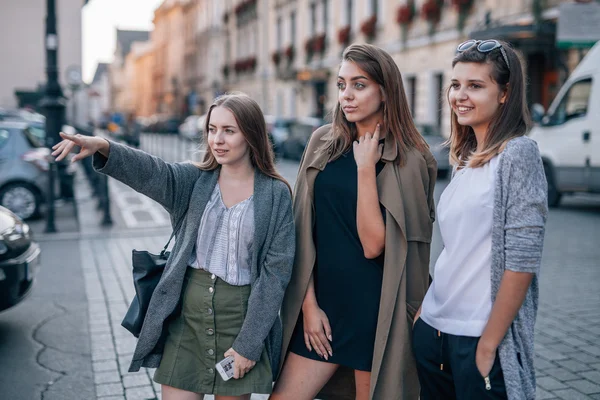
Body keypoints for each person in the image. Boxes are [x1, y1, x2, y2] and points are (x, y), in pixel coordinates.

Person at [52, 93, 295, 400]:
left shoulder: (276, 195)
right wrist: (104, 146)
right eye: (212, 129)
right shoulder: (194, 181)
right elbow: (153, 171)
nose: (217, 139)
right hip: (188, 319)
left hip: (241, 322)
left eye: (229, 131)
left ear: (252, 134)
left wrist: (249, 344)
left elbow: (275, 276)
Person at [271, 43, 437, 400]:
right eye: (342, 84)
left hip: (375, 316)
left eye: (359, 85)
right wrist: (309, 307)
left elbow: (374, 245)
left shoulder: (410, 159)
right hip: (322, 307)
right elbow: (300, 231)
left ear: (385, 91)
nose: (347, 95)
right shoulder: (322, 142)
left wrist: (365, 169)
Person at [411, 40, 548, 400]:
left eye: (475, 85)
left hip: (479, 338)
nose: (460, 95)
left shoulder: (519, 154)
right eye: (455, 85)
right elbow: (456, 249)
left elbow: (522, 262)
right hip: (433, 332)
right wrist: (425, 313)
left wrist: (489, 345)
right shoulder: (466, 160)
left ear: (505, 93)